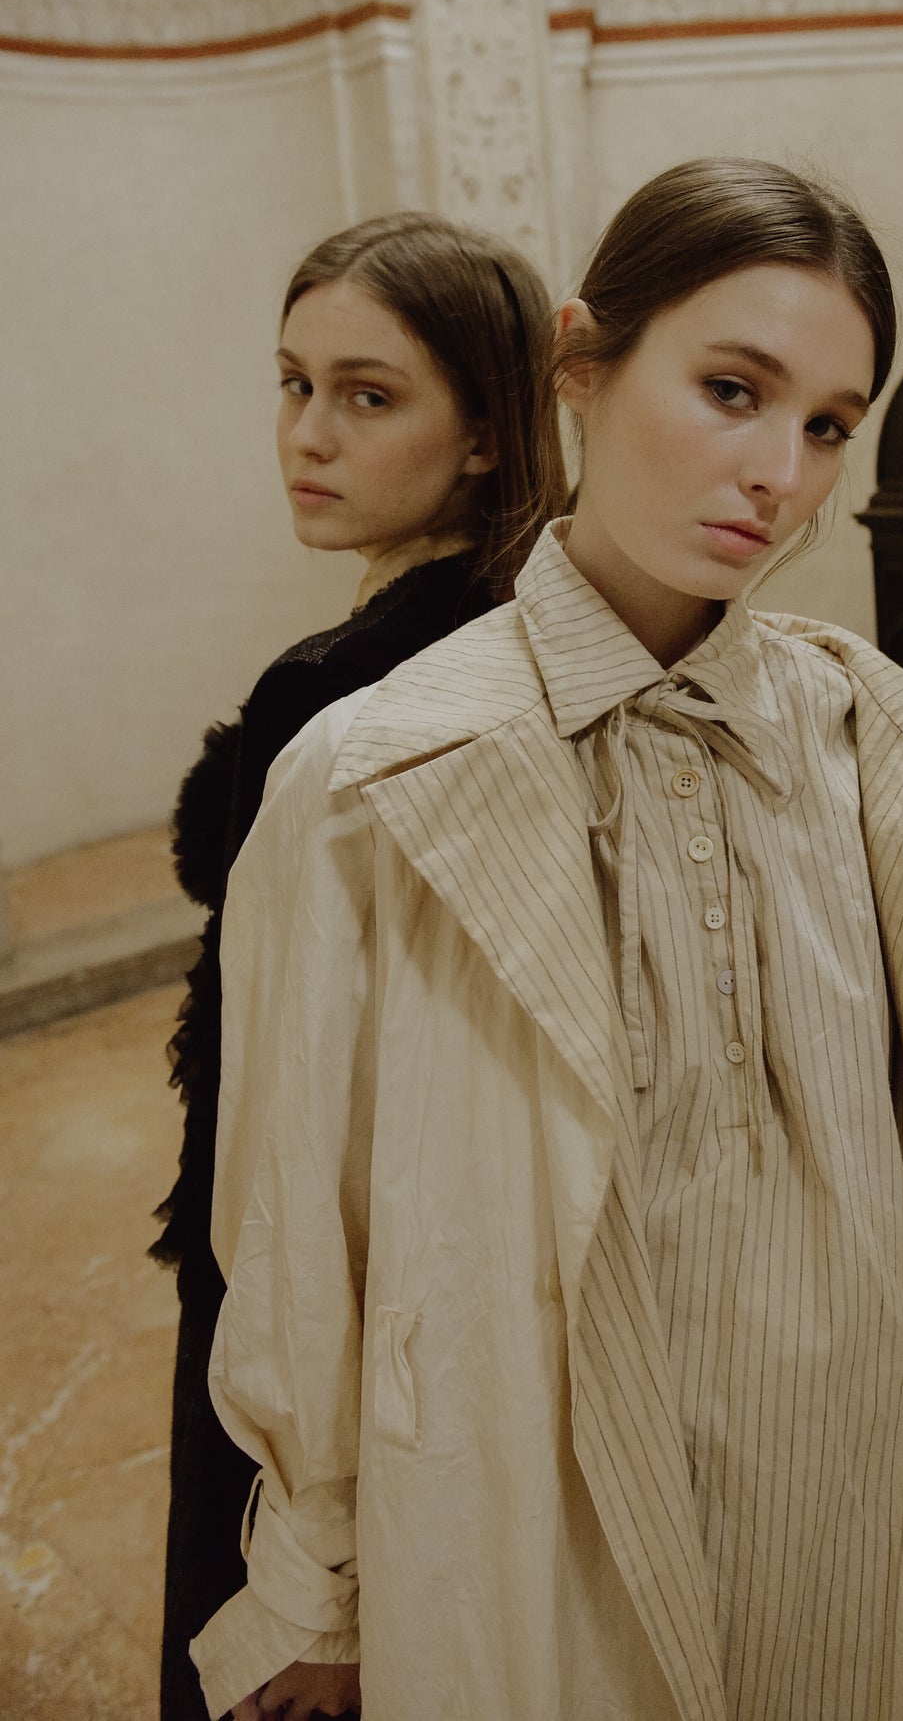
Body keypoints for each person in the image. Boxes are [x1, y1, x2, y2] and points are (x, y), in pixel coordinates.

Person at [193, 160, 903, 1721]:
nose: (779, 470)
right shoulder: (364, 779)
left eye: (828, 423)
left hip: (862, 1508)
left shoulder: (878, 749)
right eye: (732, 388)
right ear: (582, 364)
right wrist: (318, 1582)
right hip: (550, 1526)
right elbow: (296, 1217)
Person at [150, 211, 566, 1721]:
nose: (306, 436)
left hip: (333, 1299)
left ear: (483, 436)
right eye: (292, 383)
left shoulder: (346, 701)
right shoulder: (522, 634)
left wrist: (308, 1558)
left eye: (368, 395)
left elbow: (317, 1133)